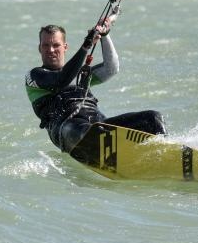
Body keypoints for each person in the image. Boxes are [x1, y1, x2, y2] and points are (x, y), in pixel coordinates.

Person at [25, 18, 167, 154]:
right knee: (83, 131)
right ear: (39, 48)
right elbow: (60, 80)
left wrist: (105, 35)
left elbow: (111, 69)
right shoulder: (35, 76)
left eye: (55, 45)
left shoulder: (81, 74)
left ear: (65, 47)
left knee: (153, 118)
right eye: (45, 45)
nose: (50, 50)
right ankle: (106, 150)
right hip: (67, 130)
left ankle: (165, 154)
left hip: (98, 126)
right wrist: (86, 46)